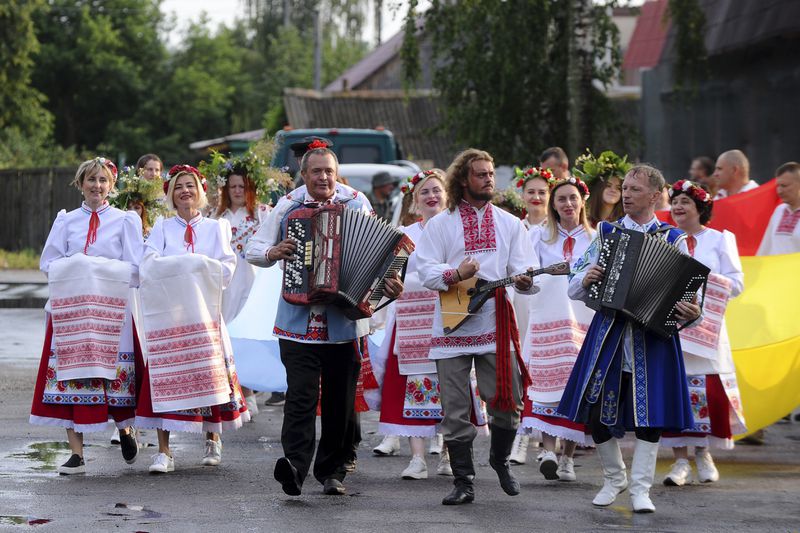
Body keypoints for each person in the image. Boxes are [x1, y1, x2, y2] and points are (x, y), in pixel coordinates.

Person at [246, 147, 403, 496]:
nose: (323, 178)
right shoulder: (287, 205)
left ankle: (333, 471)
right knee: (300, 398)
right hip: (296, 322)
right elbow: (252, 249)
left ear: (336, 172)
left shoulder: (356, 202)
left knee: (340, 401)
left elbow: (380, 253)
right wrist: (273, 252)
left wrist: (388, 282)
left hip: (343, 324)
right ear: (304, 175)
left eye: (328, 171)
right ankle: (295, 467)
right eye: (316, 172)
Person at [558, 164, 701, 513]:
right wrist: (587, 277)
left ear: (655, 195)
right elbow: (574, 286)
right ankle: (614, 477)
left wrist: (693, 312)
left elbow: (690, 296)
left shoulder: (673, 238)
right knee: (595, 411)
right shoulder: (606, 233)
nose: (626, 194)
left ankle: (641, 490)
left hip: (652, 337)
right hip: (609, 332)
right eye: (625, 188)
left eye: (635, 189)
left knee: (649, 416)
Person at [415, 148, 536, 505]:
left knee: (508, 400)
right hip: (452, 325)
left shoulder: (510, 223)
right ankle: (463, 481)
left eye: (491, 174)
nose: (488, 180)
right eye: (481, 174)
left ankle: (499, 460)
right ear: (463, 180)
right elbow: (425, 270)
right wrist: (456, 274)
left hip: (494, 323)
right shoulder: (440, 224)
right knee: (454, 408)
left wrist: (526, 281)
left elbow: (524, 266)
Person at [30, 157, 143, 474]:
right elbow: (48, 263)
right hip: (73, 313)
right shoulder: (66, 221)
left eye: (103, 180)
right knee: (72, 377)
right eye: (91, 180)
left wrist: (99, 272)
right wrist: (78, 269)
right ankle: (77, 453)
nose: (97, 186)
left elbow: (136, 268)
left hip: (112, 312)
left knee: (112, 378)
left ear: (112, 186)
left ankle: (124, 429)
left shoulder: (124, 221)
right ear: (80, 184)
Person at [135, 165, 249, 474]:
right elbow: (148, 264)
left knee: (208, 375)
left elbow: (226, 267)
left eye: (190, 185)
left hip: (204, 315)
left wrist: (196, 266)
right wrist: (184, 267)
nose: (185, 191)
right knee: (165, 381)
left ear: (201, 191)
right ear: (170, 194)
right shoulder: (161, 227)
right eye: (178, 187)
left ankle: (212, 438)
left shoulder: (216, 228)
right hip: (170, 318)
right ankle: (164, 451)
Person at [661, 179, 747, 485]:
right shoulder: (666, 239)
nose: (679, 207)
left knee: (705, 392)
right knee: (677, 390)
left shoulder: (721, 240)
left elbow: (737, 283)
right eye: (675, 202)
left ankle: (703, 453)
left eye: (685, 201)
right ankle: (680, 460)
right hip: (673, 327)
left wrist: (698, 281)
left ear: (701, 207)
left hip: (708, 328)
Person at [372, 169, 452, 479]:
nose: (432, 196)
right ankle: (418, 458)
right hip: (412, 322)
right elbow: (389, 275)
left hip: (450, 318)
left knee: (451, 385)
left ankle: (448, 452)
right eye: (424, 193)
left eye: (436, 190)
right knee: (413, 387)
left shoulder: (456, 230)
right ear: (415, 202)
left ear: (447, 195)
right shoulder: (405, 235)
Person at [520, 175, 595, 482]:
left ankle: (568, 456)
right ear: (553, 203)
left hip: (582, 321)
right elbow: (526, 277)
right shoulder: (538, 235)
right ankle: (549, 449)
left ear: (582, 202)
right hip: (547, 320)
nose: (567, 204)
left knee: (575, 385)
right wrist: (527, 282)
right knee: (546, 385)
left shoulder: (595, 237)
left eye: (572, 198)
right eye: (561, 198)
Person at [213, 162, 272, 418]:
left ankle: (250, 390)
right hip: (227, 286)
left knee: (249, 338)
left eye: (242, 186)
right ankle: (237, 392)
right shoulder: (219, 218)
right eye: (233, 186)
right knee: (230, 339)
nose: (237, 190)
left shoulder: (262, 214)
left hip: (253, 283)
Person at [757, 161, 800, 255]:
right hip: (776, 269)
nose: (779, 191)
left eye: (784, 186)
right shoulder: (779, 211)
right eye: (778, 186)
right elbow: (766, 247)